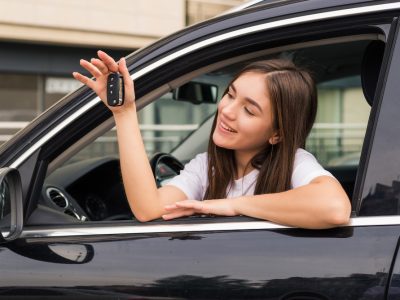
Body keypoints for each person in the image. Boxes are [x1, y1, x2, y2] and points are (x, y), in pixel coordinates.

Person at [73, 50, 351, 229]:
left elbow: (334, 208)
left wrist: (231, 206)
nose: (226, 110)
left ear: (277, 133)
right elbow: (148, 209)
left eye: (249, 110)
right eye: (230, 95)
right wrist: (124, 113)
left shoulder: (295, 163)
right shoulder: (207, 166)